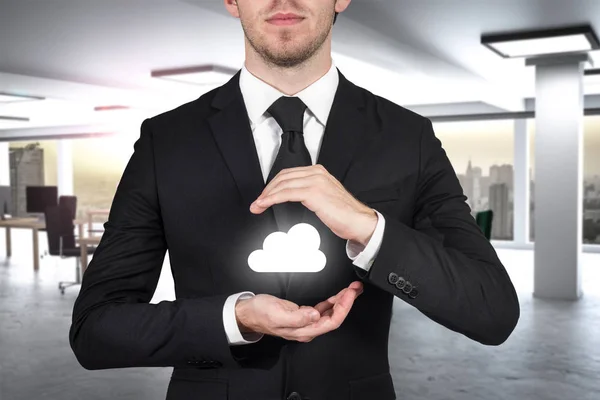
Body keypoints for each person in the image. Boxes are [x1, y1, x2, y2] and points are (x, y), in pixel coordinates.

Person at [69, 1, 520, 399]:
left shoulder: (408, 138)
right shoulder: (165, 141)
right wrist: (235, 318)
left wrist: (370, 228)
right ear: (231, 0)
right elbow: (95, 329)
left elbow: (492, 311)